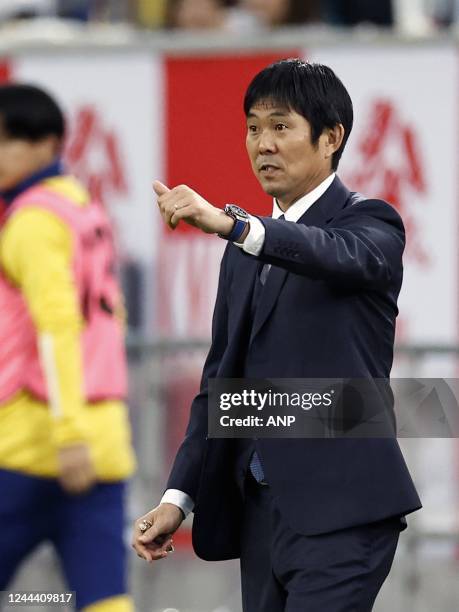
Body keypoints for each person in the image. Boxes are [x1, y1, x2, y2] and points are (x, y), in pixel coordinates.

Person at [132, 59, 422, 611]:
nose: (263, 143)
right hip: (260, 513)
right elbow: (220, 381)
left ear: (331, 138)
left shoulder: (372, 223)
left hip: (346, 512)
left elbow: (333, 254)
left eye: (281, 126)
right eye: (253, 127)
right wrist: (178, 497)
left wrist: (237, 225)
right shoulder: (243, 254)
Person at [0, 84, 136, 612]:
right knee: (105, 600)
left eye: (6, 141)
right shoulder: (83, 207)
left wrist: (67, 433)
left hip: (35, 443)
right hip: (104, 447)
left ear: (46, 144)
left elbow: (56, 326)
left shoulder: (33, 220)